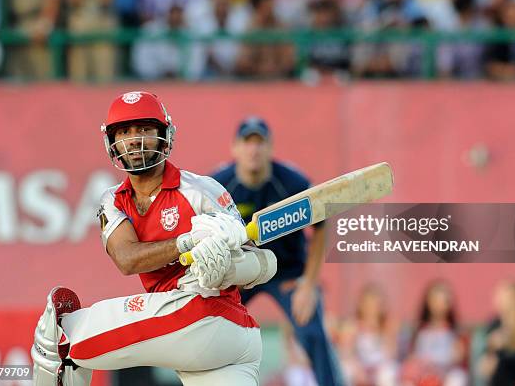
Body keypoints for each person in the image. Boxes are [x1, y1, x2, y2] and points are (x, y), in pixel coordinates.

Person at [31, 91, 277, 385]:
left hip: (211, 315)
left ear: (165, 135)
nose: (134, 140)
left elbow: (266, 263)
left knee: (63, 330)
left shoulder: (201, 190)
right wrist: (188, 241)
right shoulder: (113, 200)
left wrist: (228, 268)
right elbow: (127, 259)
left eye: (145, 129)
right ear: (111, 141)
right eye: (124, 132)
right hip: (206, 340)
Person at [212, 117, 345, 386]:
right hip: (239, 273)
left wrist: (309, 284)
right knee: (210, 334)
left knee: (313, 334)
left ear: (270, 148)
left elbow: (321, 225)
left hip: (287, 272)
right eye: (247, 143)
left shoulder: (292, 183)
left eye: (260, 143)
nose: (253, 150)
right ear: (234, 149)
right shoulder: (217, 187)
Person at [401, 280, 468, 386]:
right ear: (428, 302)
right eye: (436, 300)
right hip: (422, 374)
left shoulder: (455, 331)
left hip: (445, 374)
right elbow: (411, 357)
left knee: (457, 378)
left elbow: (459, 358)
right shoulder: (419, 330)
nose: (439, 306)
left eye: (443, 301)